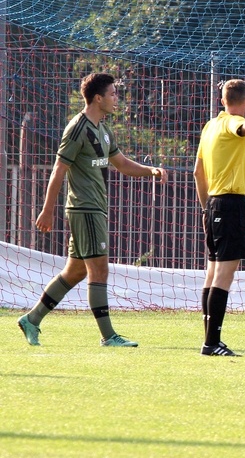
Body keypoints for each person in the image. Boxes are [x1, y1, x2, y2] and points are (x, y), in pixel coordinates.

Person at [17, 73, 169, 347]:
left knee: (75, 271)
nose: (116, 99)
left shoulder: (104, 129)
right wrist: (47, 210)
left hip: (96, 208)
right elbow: (58, 170)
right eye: (112, 94)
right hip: (83, 208)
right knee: (99, 269)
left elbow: (121, 163)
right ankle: (109, 336)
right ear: (98, 98)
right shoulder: (77, 128)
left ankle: (32, 319)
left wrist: (151, 171)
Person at [194, 78, 245, 357]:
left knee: (213, 273)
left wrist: (206, 207)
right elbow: (244, 126)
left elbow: (197, 172)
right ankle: (211, 343)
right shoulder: (230, 122)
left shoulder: (209, 126)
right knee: (224, 274)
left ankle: (208, 340)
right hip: (230, 204)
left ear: (222, 100)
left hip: (213, 204)